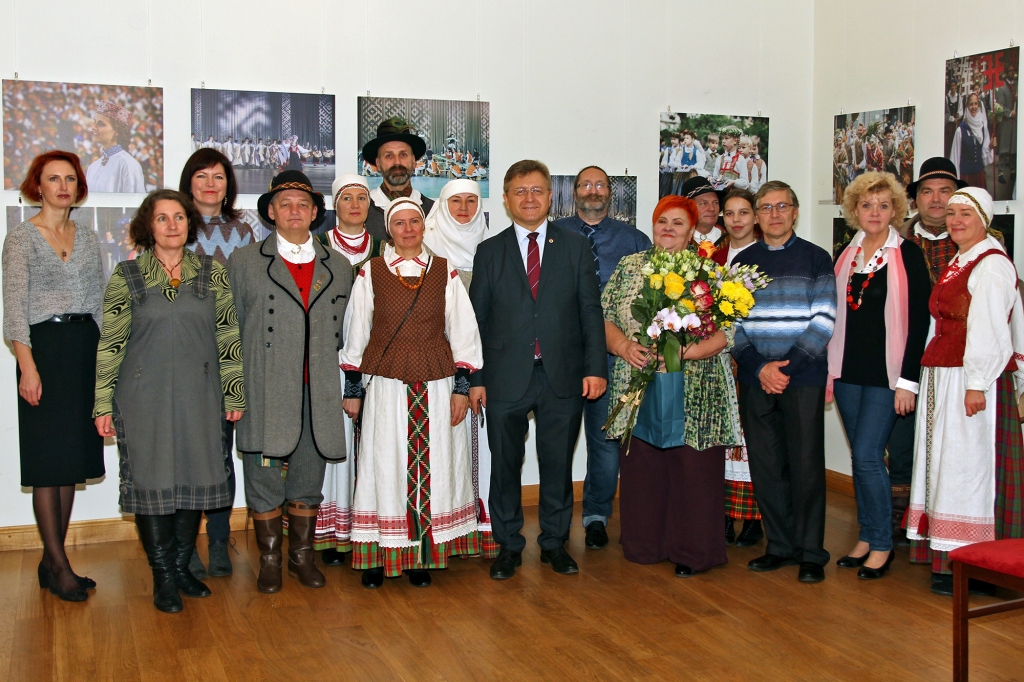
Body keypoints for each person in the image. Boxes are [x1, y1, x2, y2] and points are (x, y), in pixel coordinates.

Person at [92, 189, 245, 612]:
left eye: (179, 217)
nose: (172, 225)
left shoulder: (213, 271)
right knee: (153, 484)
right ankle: (162, 577)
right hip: (144, 398)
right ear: (149, 226)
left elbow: (229, 336)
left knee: (193, 484)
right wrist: (103, 404)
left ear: (188, 223)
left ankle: (180, 568)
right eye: (162, 218)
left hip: (201, 394)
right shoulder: (127, 275)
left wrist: (234, 393)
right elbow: (111, 344)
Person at [468, 160, 607, 580]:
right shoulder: (489, 251)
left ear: (551, 196)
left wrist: (595, 368)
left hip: (562, 375)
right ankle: (508, 545)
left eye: (538, 190)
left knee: (558, 465)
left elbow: (589, 311)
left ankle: (554, 543)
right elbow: (477, 320)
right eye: (520, 191)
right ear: (508, 199)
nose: (529, 198)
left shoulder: (575, 246)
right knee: (506, 466)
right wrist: (475, 379)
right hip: (504, 377)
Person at [340, 198, 484, 588]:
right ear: (389, 229)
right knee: (382, 462)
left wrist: (460, 388)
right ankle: (378, 555)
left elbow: (463, 333)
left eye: (414, 222)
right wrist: (354, 390)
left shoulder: (444, 271)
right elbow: (356, 334)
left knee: (434, 465)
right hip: (386, 385)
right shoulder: (370, 272)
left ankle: (421, 554)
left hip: (436, 383)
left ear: (424, 227)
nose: (408, 229)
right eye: (399, 223)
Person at [228, 170, 351, 594]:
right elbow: (231, 331)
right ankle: (269, 559)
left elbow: (348, 333)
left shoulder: (338, 265)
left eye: (303, 204)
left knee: (307, 474)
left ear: (316, 213)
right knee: (262, 474)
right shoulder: (244, 262)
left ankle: (302, 556)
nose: (294, 211)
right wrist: (234, 391)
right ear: (271, 213)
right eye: (285, 204)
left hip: (317, 388)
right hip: (265, 387)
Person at [603, 195, 739, 577]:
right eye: (663, 220)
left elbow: (727, 331)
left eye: (678, 223)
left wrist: (684, 354)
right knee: (643, 464)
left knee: (692, 466)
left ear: (692, 229)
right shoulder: (630, 266)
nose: (668, 228)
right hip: (637, 380)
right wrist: (622, 345)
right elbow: (605, 315)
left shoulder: (708, 272)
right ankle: (645, 545)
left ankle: (694, 551)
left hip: (696, 386)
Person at [907, 187, 1024, 596]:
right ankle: (949, 555)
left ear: (984, 220)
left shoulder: (991, 266)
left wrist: (977, 384)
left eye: (965, 214)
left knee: (968, 465)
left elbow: (992, 328)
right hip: (947, 372)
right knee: (946, 462)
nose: (956, 220)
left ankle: (976, 558)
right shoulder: (963, 260)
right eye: (952, 213)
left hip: (973, 381)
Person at [2, 151, 105, 603]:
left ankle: (52, 560)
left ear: (78, 185)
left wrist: (105, 366)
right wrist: (27, 367)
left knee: (70, 464)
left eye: (69, 178)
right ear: (36, 186)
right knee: (48, 463)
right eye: (52, 179)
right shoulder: (21, 239)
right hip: (43, 353)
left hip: (84, 351)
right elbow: (14, 311)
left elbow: (100, 304)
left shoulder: (89, 238)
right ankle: (59, 564)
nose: (62, 186)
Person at [731, 180, 837, 584]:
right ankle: (779, 546)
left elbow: (824, 320)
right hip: (757, 378)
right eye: (766, 208)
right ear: (757, 217)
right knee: (766, 462)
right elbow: (732, 325)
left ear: (794, 212)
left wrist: (785, 369)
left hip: (803, 377)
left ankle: (811, 551)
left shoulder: (816, 258)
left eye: (782, 207)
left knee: (806, 465)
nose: (774, 214)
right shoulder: (742, 264)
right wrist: (760, 368)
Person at [827, 172, 931, 580]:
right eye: (867, 205)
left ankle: (883, 543)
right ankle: (868, 536)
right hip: (848, 373)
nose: (875, 212)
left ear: (896, 211)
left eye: (883, 206)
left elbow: (920, 321)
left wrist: (909, 381)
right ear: (855, 209)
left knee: (870, 457)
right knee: (861, 458)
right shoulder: (845, 254)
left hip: (889, 377)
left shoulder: (906, 254)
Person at [551, 166, 651, 549]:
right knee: (556, 443)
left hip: (612, 359)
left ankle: (596, 516)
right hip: (559, 357)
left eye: (601, 185)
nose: (593, 191)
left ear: (611, 193)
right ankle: (555, 519)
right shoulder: (553, 235)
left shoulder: (635, 240)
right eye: (586, 185)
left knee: (606, 443)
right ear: (573, 192)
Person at [177, 147, 258, 579]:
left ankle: (220, 540)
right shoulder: (173, 225)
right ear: (189, 181)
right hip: (186, 359)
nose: (211, 184)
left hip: (231, 359)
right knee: (191, 453)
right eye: (202, 176)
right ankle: (186, 545)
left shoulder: (246, 230)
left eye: (219, 177)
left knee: (223, 454)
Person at [889, 158, 968, 543]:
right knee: (901, 441)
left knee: (952, 440)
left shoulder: (980, 241)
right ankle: (902, 520)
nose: (936, 200)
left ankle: (949, 521)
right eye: (927, 191)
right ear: (915, 197)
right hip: (905, 355)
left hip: (958, 360)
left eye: (946, 191)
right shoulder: (896, 241)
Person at [311, 174, 385, 568]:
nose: (355, 204)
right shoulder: (317, 247)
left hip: (378, 362)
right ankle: (336, 532)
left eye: (361, 198)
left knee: (373, 444)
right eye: (346, 198)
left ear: (370, 207)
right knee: (337, 444)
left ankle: (370, 529)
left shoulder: (384, 249)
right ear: (334, 206)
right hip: (331, 359)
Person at [422, 178, 498, 559]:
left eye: (472, 200)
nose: (464, 208)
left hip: (485, 365)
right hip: (437, 367)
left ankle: (479, 526)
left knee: (483, 446)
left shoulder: (493, 247)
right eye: (456, 201)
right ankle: (443, 527)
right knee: (445, 447)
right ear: (443, 205)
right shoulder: (426, 248)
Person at [711, 189, 764, 547]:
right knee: (723, 440)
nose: (737, 220)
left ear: (756, 216)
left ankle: (755, 517)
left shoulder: (766, 256)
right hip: (719, 360)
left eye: (744, 212)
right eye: (729, 213)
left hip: (755, 358)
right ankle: (726, 514)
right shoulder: (713, 256)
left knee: (754, 441)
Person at [361, 117, 435, 241]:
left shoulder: (433, 211)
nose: (397, 162)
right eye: (389, 156)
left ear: (413, 161)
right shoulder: (363, 210)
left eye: (403, 154)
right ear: (378, 163)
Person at [85, 101, 145, 193]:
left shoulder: (128, 165)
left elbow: (135, 204)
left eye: (101, 124)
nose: (94, 127)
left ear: (117, 131)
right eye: (95, 122)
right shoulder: (93, 167)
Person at [949, 92, 992, 190]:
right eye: (971, 104)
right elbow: (955, 158)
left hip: (979, 175)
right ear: (967, 106)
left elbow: (983, 154)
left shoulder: (982, 128)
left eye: (976, 104)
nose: (973, 107)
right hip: (966, 177)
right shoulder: (960, 131)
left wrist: (990, 147)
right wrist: (956, 182)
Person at [680, 176, 726, 248]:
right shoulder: (678, 241)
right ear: (688, 208)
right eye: (704, 203)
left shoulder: (730, 240)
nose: (712, 208)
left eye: (715, 203)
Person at [994, 62, 1017, 190]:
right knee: (1004, 148)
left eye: (1013, 70)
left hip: (1015, 123)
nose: (1012, 72)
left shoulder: (1017, 86)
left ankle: (1013, 170)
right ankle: (1001, 172)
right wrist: (1009, 113)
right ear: (1006, 72)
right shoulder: (1002, 88)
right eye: (1010, 70)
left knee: (1013, 148)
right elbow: (999, 106)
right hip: (1006, 122)